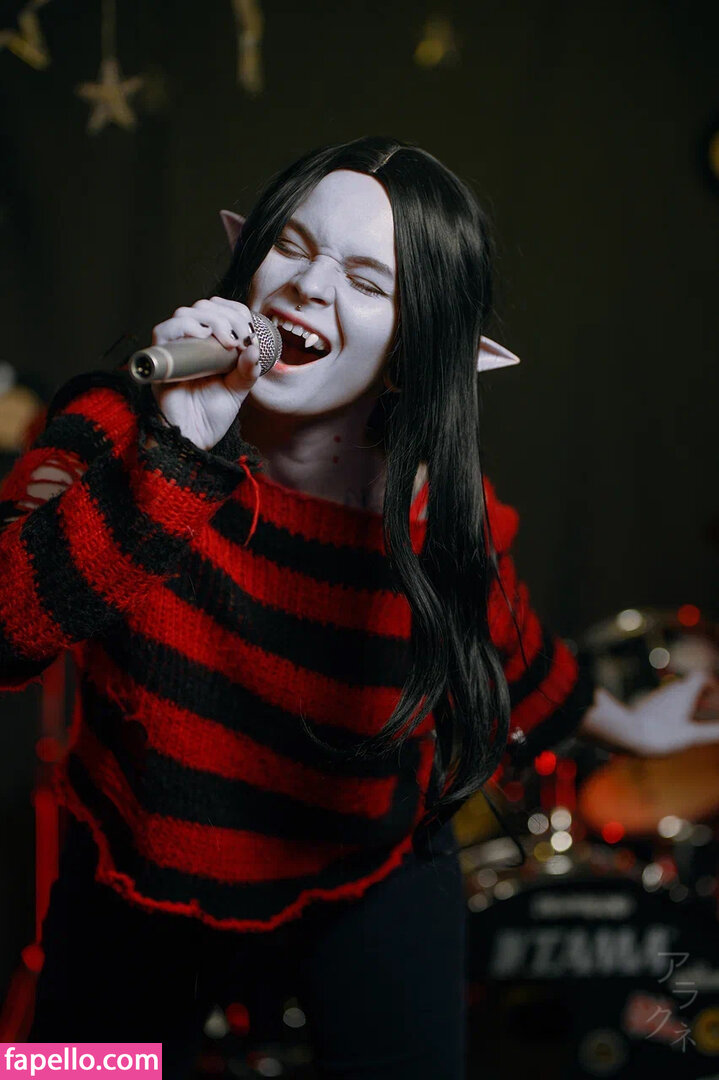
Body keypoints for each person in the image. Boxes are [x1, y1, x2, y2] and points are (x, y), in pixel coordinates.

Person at [1, 136, 717, 1079]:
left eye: (367, 281)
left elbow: (502, 649)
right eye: (292, 246)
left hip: (368, 871)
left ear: (416, 352)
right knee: (71, 1072)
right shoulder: (113, 427)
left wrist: (641, 731)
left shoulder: (432, 508)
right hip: (134, 870)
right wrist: (175, 460)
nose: (307, 286)